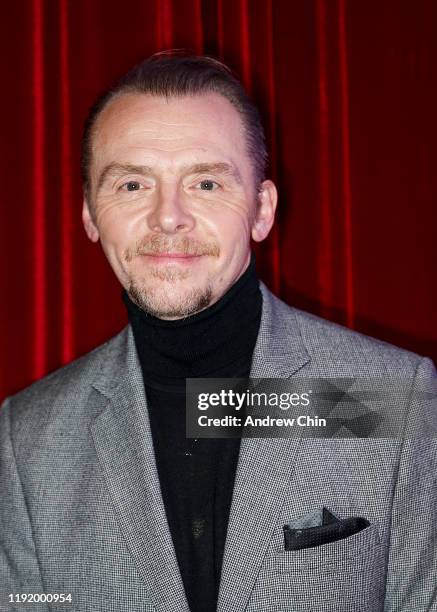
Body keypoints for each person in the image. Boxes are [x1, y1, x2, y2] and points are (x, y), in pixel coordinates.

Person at [0, 52, 436, 612]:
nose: (168, 217)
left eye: (206, 183)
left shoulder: (387, 401)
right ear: (90, 214)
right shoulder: (25, 440)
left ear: (261, 210)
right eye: (132, 185)